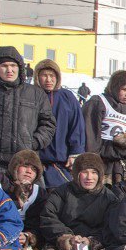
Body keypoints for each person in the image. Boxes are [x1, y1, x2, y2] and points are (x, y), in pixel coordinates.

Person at [0, 47, 56, 182]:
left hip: (28, 162)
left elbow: (48, 124)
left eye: (13, 65)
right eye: (4, 66)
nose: (9, 70)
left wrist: (33, 143)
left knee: (34, 201)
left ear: (20, 67)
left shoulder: (36, 94)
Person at [37, 152, 117, 250]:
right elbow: (48, 217)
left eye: (94, 172)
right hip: (63, 244)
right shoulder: (61, 192)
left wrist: (90, 241)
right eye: (85, 172)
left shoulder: (109, 198)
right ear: (76, 174)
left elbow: (111, 226)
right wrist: (67, 238)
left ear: (100, 175)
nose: (89, 177)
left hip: (93, 245)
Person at [82, 70, 126, 185]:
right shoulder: (99, 102)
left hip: (119, 163)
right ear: (114, 87)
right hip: (99, 160)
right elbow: (89, 131)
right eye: (124, 90)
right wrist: (93, 158)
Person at [33, 59, 86, 188]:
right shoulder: (31, 96)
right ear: (37, 77)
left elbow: (77, 126)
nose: (48, 80)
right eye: (44, 75)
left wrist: (76, 152)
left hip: (61, 161)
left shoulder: (67, 97)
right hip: (35, 159)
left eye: (52, 76)